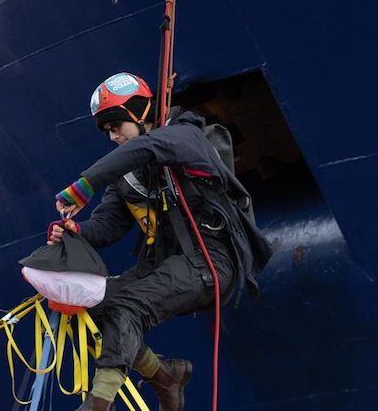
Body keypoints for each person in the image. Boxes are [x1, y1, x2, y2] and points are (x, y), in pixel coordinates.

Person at [50, 72, 272, 411]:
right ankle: (166, 377)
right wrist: (76, 230)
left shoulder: (186, 137)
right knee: (94, 307)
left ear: (141, 112)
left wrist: (84, 185)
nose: (112, 136)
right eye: (106, 130)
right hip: (163, 264)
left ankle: (98, 403)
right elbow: (109, 225)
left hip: (209, 263)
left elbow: (149, 147)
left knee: (127, 308)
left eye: (115, 125)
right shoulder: (127, 172)